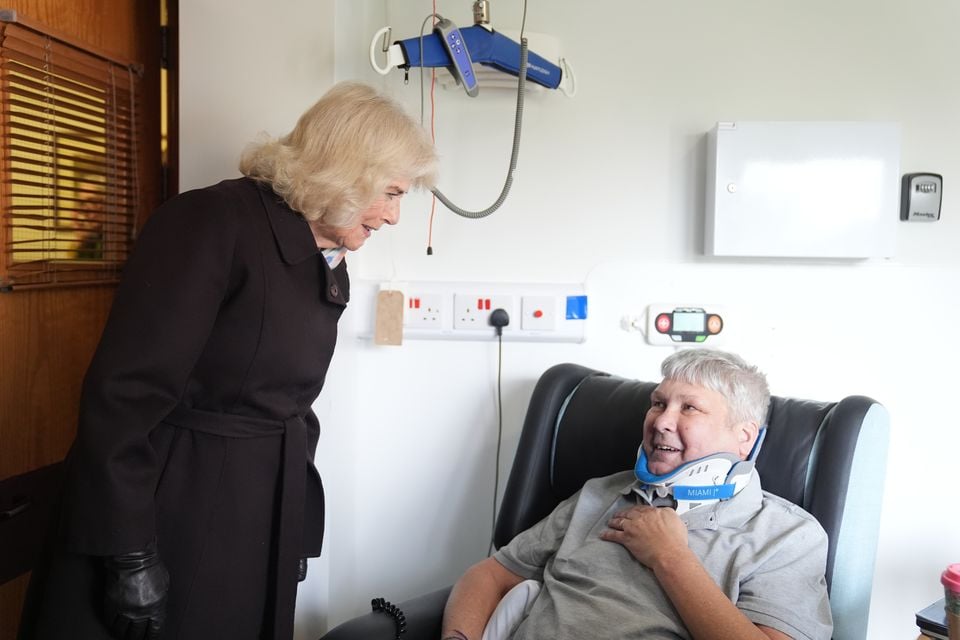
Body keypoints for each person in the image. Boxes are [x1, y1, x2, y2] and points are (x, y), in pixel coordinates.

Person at [20, 81, 437, 640]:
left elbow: (293, 405)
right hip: (171, 509)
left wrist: (294, 526)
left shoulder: (326, 256)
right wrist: (128, 554)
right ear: (346, 169)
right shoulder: (210, 222)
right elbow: (122, 397)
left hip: (254, 517)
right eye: (390, 192)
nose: (392, 217)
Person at [441, 349, 833, 640]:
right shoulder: (601, 493)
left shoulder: (786, 535)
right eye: (659, 403)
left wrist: (670, 557)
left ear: (743, 436)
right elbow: (491, 574)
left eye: (689, 408)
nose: (661, 421)